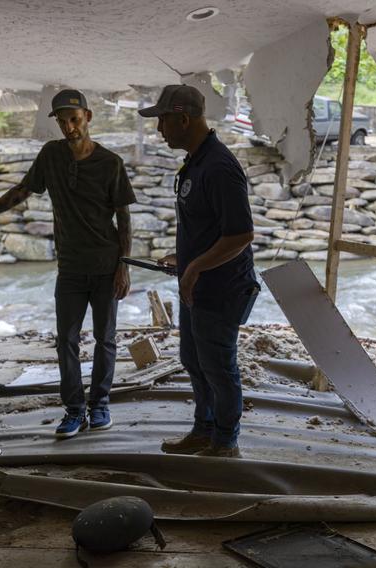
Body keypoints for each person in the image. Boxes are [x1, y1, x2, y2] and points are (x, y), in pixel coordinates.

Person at [0, 89, 136, 438]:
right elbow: (21, 191)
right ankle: (74, 410)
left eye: (75, 119)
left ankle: (100, 405)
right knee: (65, 339)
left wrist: (124, 267)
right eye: (63, 121)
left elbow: (124, 218)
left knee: (104, 338)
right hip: (70, 267)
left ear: (88, 117)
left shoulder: (111, 163)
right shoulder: (51, 156)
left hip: (106, 265)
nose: (69, 127)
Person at [139, 85, 259, 458]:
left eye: (162, 120)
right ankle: (203, 430)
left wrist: (196, 268)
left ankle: (226, 442)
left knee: (220, 368)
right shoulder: (196, 160)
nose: (159, 129)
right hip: (198, 285)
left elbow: (241, 234)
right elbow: (208, 228)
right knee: (194, 361)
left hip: (221, 288)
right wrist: (184, 260)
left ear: (183, 118)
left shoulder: (220, 166)